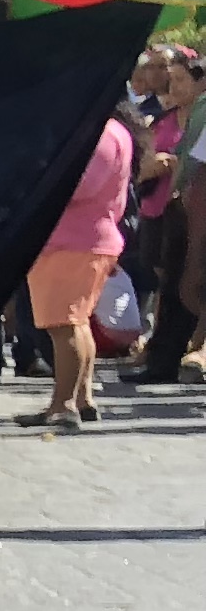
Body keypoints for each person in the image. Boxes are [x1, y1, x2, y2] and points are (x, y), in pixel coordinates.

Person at [24, 104, 134, 432]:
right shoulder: (116, 130)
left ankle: (63, 405)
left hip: (71, 241)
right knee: (77, 322)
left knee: (64, 324)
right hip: (88, 239)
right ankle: (83, 398)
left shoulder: (100, 133)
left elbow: (80, 185)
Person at [127, 46, 206, 384]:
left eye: (179, 78)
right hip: (173, 209)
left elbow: (194, 167)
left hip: (187, 207)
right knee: (173, 286)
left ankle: (181, 354)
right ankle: (165, 358)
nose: (172, 86)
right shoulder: (169, 118)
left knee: (186, 285)